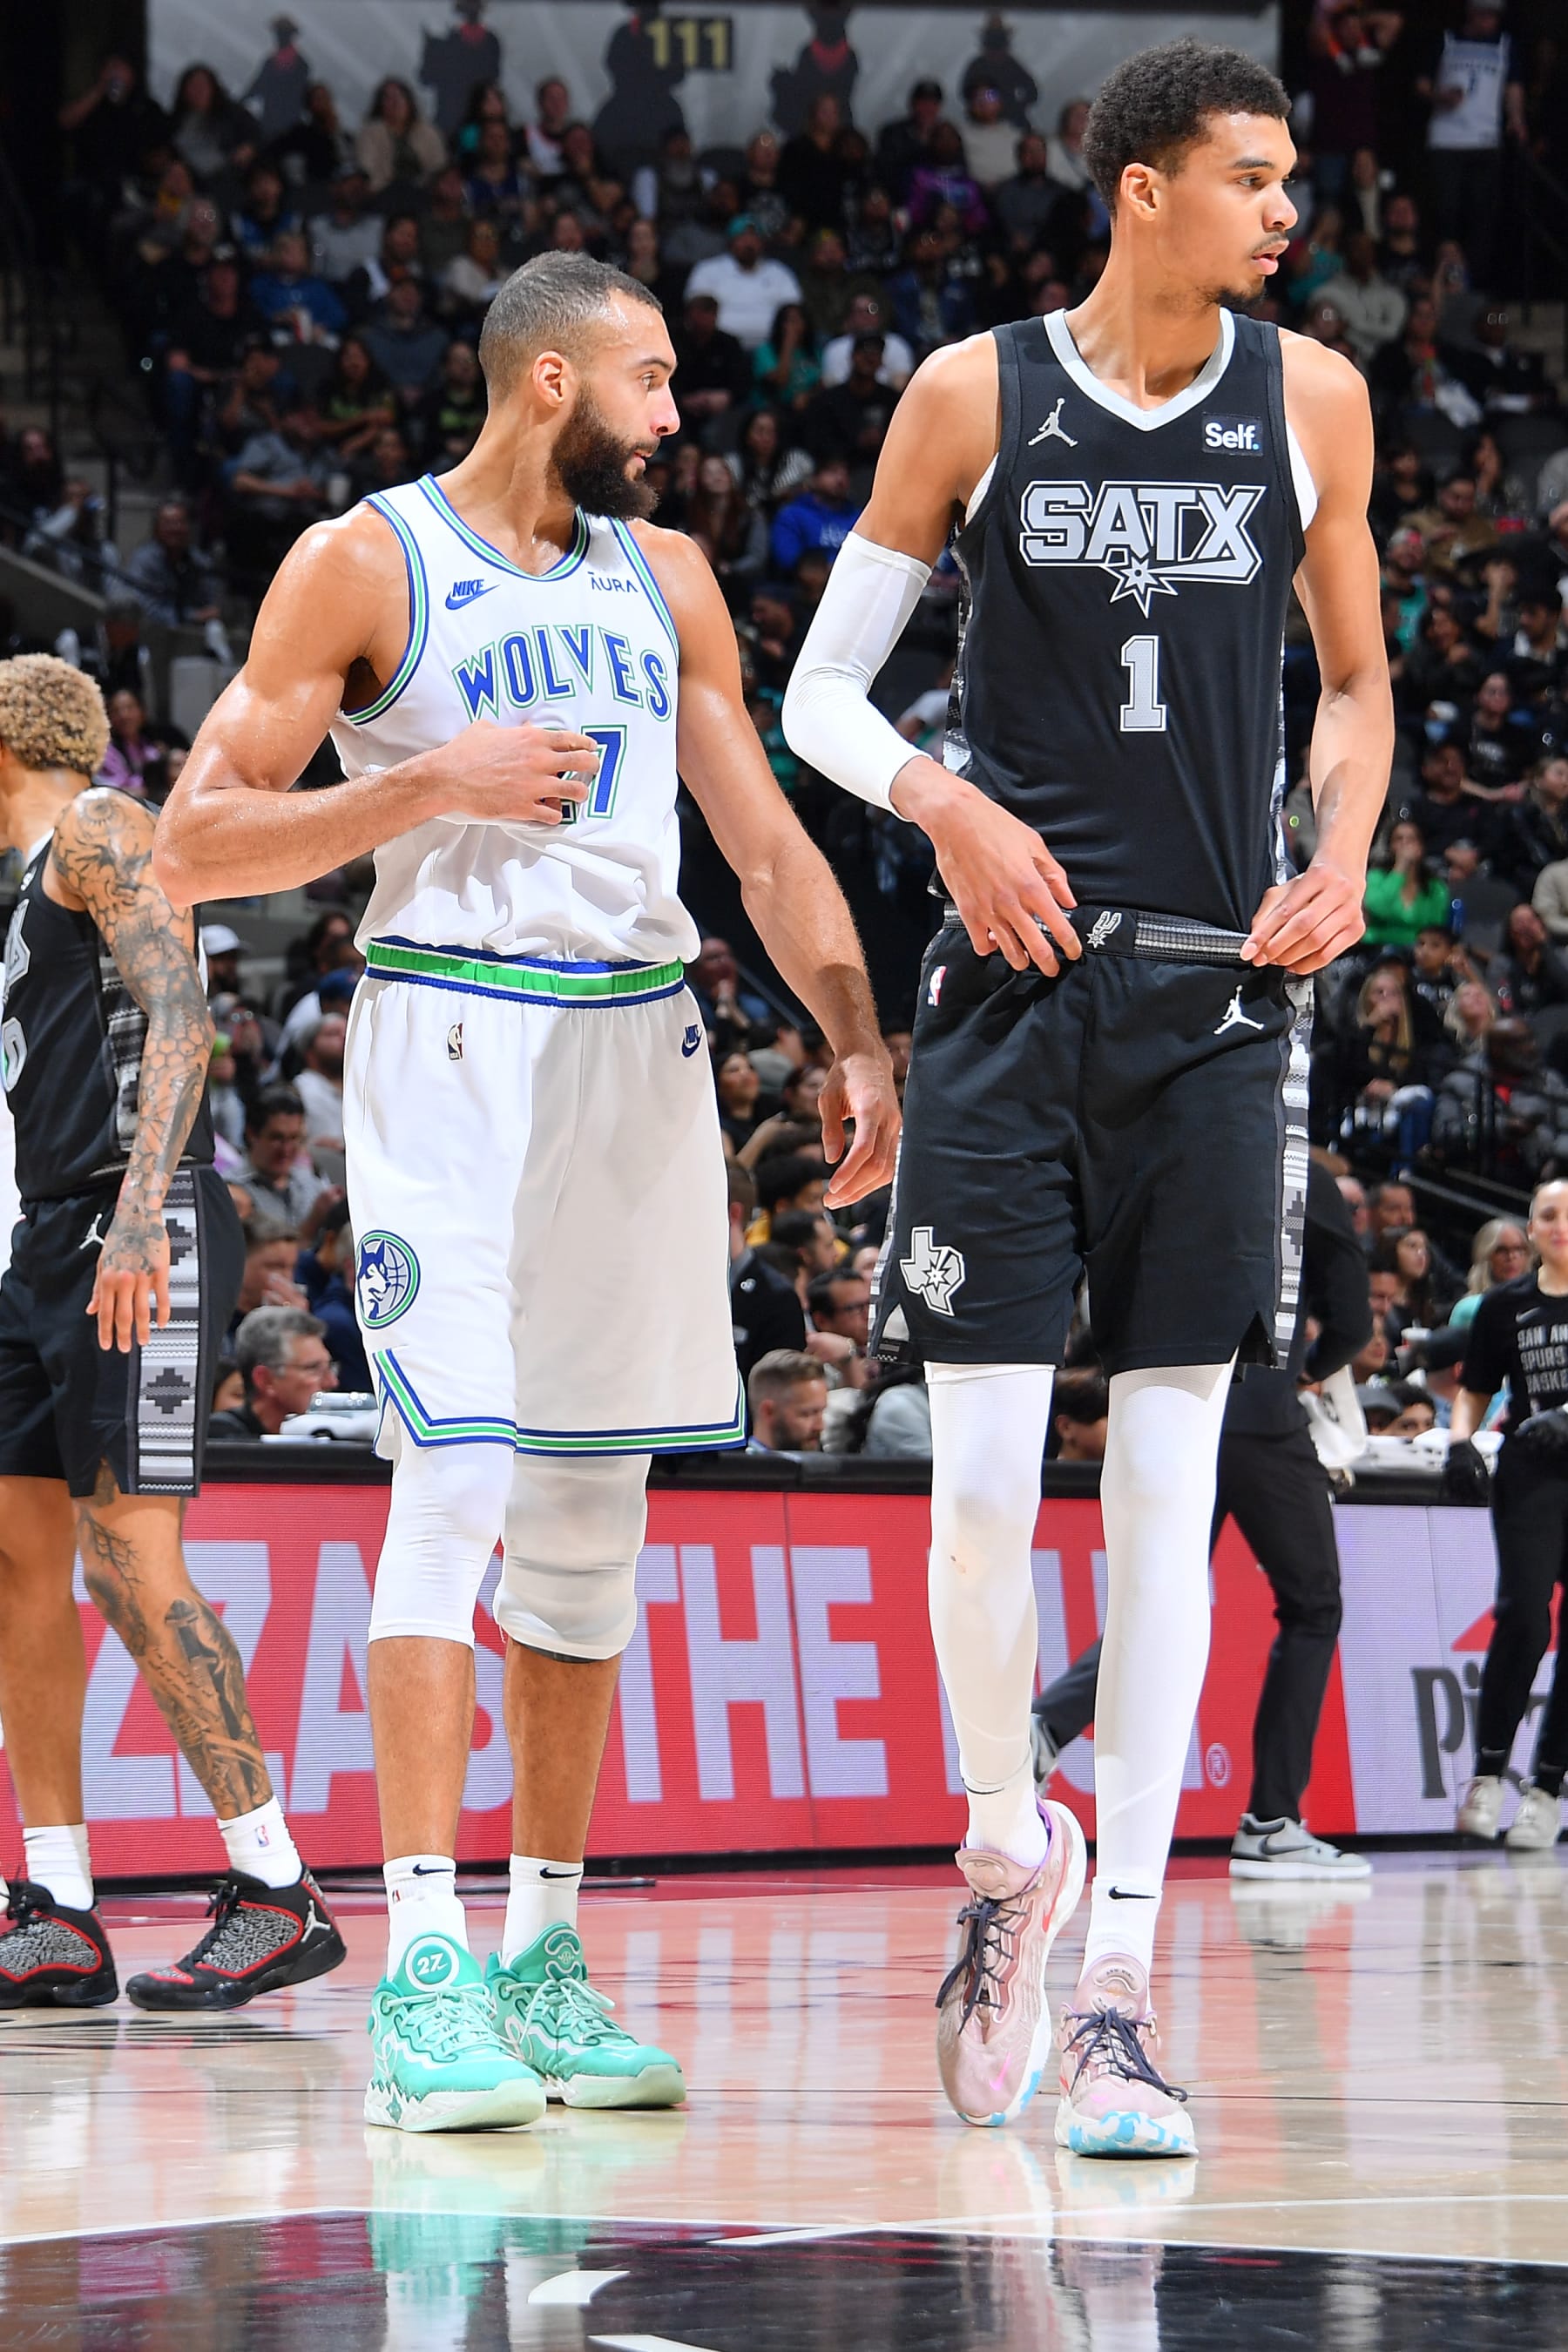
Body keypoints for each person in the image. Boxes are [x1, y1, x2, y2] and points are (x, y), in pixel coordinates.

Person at [155, 250, 899, 2132]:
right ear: (551, 380)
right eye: (651, 383)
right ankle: (419, 1967)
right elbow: (189, 845)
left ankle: (541, 1959)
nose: (679, 415)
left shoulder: (668, 582)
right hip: (455, 1047)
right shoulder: (366, 562)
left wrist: (853, 1034)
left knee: (591, 1523)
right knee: (460, 1478)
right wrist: (431, 787)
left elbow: (756, 830)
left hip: (635, 1051)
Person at [781, 40, 1390, 2156]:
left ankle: (1124, 1975)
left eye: (1287, 175)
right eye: (1250, 171)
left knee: (1160, 1502)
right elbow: (820, 695)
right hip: (1005, 1004)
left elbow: (1361, 681)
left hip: (1211, 1010)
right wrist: (943, 803)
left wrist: (1340, 840)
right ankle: (999, 1845)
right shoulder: (970, 391)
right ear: (1142, 190)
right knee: (969, 1491)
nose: (1283, 203)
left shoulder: (1314, 397)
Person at [0, 656, 345, 2012]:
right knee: (25, 1563)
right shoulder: (20, 890)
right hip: (39, 1241)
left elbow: (184, 1013)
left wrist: (144, 1214)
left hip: (126, 1224)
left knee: (127, 1560)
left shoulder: (100, 824)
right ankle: (57, 1905)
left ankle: (276, 1885)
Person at [1034, 1165, 1373, 1878]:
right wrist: (1308, 1372)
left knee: (1158, 1597)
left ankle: (1044, 1726)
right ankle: (1273, 1822)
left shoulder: (1161, 1148)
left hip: (1164, 1407)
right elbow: (1351, 1318)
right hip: (1258, 1416)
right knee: (1313, 1605)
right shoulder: (1303, 1172)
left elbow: (1101, 1301)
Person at [1450, 1181, 1568, 1850]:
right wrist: (1462, 1441)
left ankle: (1548, 1789)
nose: (1560, 1227)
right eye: (1548, 1215)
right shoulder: (1504, 1307)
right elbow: (1473, 1391)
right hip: (1530, 1471)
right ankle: (1489, 1773)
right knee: (1523, 1616)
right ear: (1530, 1227)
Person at [209, 1305, 337, 1438]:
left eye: (330, 1367)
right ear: (265, 1380)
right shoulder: (223, 1439)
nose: (332, 1382)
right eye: (312, 1368)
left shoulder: (330, 1433)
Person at [746, 1348, 828, 1451]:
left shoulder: (825, 1466)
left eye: (822, 1412)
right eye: (807, 1414)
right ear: (769, 1411)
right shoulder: (735, 1467)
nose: (820, 1426)